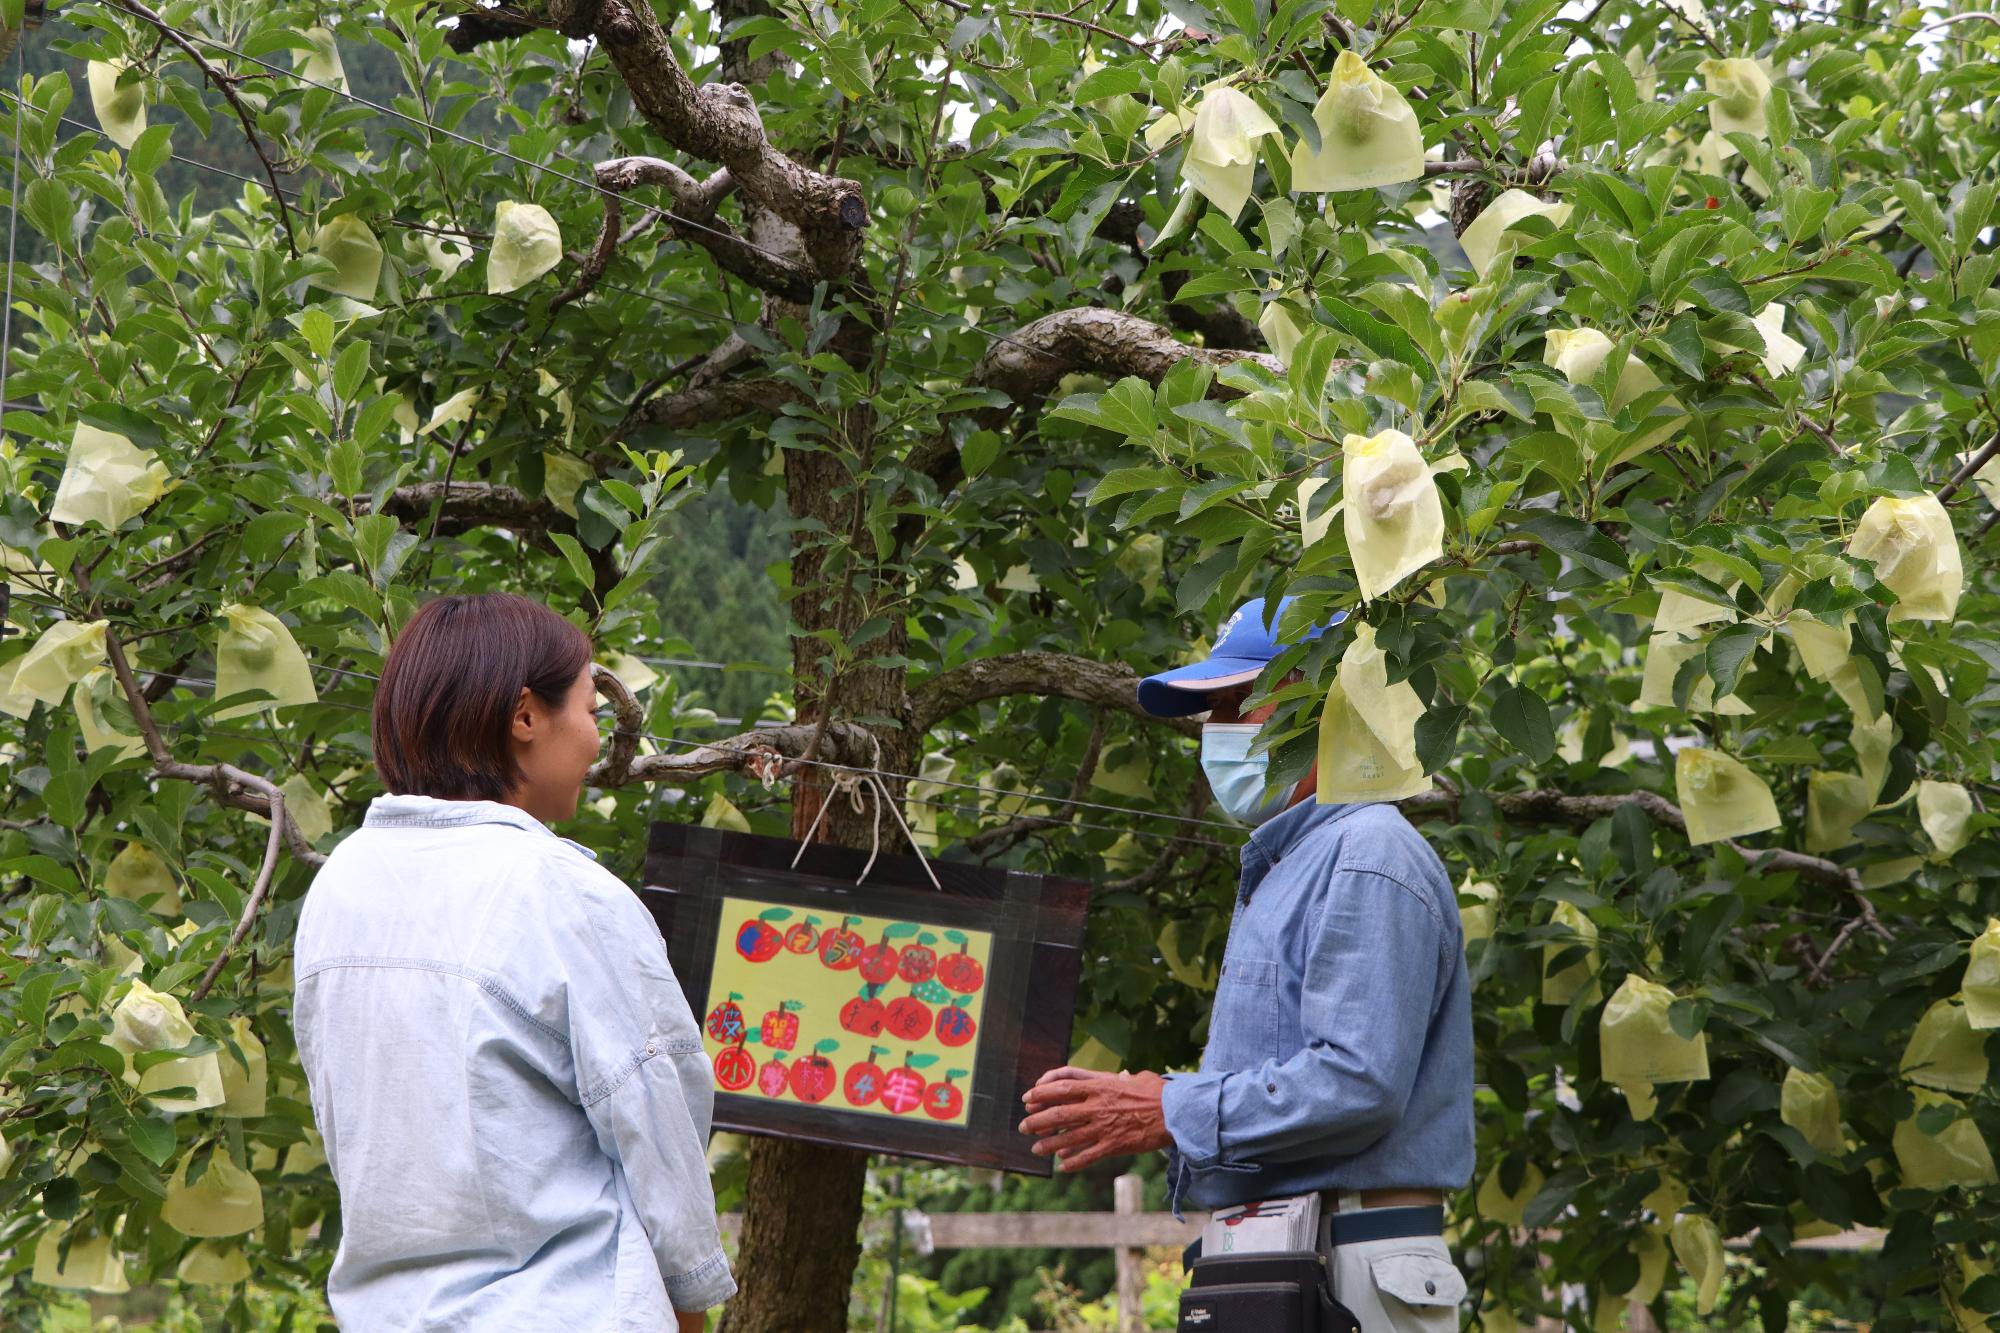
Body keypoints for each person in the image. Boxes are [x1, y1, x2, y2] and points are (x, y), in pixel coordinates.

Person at [1020, 595, 1474, 1332]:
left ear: (1319, 703)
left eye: (1238, 704)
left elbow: (1358, 1082)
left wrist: (1168, 1107)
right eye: (1212, 714)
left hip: (1345, 1262)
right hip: (1278, 1258)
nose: (1216, 734)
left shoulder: (1367, 855)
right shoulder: (1294, 860)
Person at [293, 593, 733, 1332]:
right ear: (525, 715)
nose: (597, 741)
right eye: (591, 709)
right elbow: (657, 1122)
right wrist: (690, 1307)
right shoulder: (564, 890)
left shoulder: (340, 883)